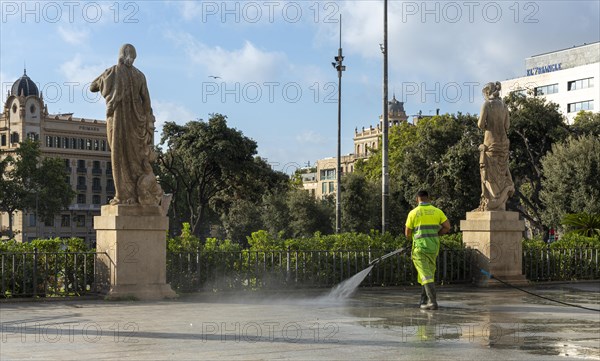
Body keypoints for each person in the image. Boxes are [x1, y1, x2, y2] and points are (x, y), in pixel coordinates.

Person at [90, 44, 163, 206]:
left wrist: (105, 75)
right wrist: (148, 122)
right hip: (136, 124)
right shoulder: (139, 76)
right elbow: (147, 101)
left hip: (118, 121)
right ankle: (131, 197)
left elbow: (92, 87)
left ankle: (123, 196)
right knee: (133, 159)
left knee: (119, 156)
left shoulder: (113, 72)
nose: (132, 60)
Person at [405, 190, 450, 310]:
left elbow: (407, 233)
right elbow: (447, 227)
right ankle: (423, 300)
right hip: (433, 248)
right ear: (429, 198)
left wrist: (413, 239)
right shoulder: (437, 211)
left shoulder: (413, 213)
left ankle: (432, 301)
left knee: (426, 276)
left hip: (420, 249)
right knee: (427, 274)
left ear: (417, 199)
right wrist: (436, 234)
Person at [476, 81, 515, 211]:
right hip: (503, 144)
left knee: (487, 173)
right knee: (501, 173)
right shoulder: (504, 106)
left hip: (490, 143)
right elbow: (507, 126)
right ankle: (500, 204)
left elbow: (481, 124)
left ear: (487, 92)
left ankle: (491, 201)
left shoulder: (487, 104)